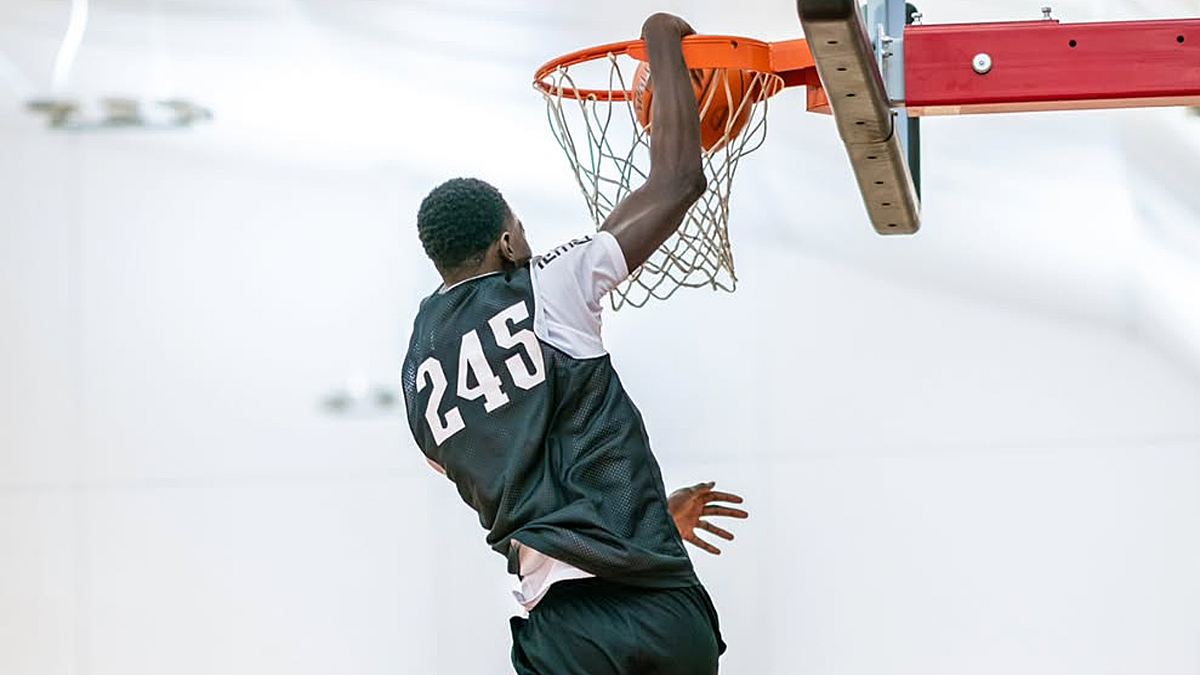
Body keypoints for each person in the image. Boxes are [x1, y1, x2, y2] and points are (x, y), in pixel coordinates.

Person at [401, 12, 747, 674]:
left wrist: (629, 522)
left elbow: (522, 471)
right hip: (660, 609)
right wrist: (663, 38)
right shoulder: (545, 286)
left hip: (564, 632)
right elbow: (678, 180)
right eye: (521, 231)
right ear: (508, 242)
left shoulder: (419, 380)